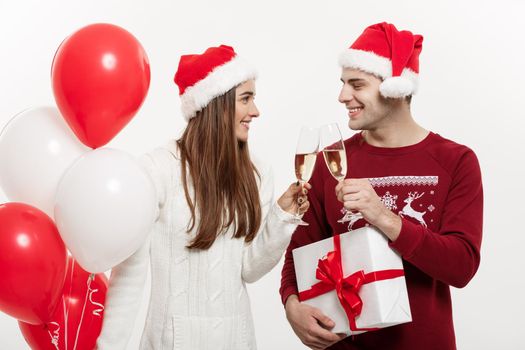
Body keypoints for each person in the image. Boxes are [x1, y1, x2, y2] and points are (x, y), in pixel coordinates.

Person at [280, 22, 483, 350]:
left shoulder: (456, 161)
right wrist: (291, 306)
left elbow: (461, 267)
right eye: (343, 83)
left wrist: (384, 217)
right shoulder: (329, 160)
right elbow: (298, 254)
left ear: (395, 89)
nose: (343, 96)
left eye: (356, 84)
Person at [96, 44, 310, 350]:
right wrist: (107, 346)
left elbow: (248, 268)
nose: (255, 111)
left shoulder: (258, 173)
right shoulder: (157, 169)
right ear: (216, 104)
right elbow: (130, 274)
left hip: (238, 340)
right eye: (246, 99)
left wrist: (280, 219)